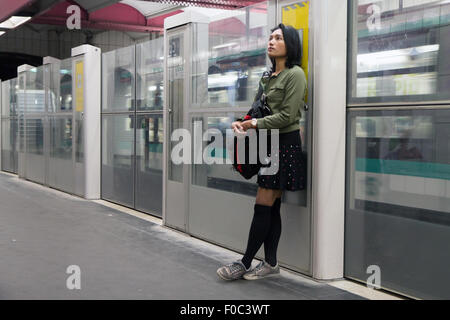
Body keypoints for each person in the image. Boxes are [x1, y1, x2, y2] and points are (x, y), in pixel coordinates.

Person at [217, 23, 307, 281]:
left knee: (262, 204)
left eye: (278, 38)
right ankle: (271, 262)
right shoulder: (267, 77)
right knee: (272, 205)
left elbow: (288, 116)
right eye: (270, 38)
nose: (271, 41)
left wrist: (253, 123)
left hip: (284, 145)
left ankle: (244, 262)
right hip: (268, 143)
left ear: (290, 45)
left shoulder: (295, 75)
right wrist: (242, 120)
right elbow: (258, 109)